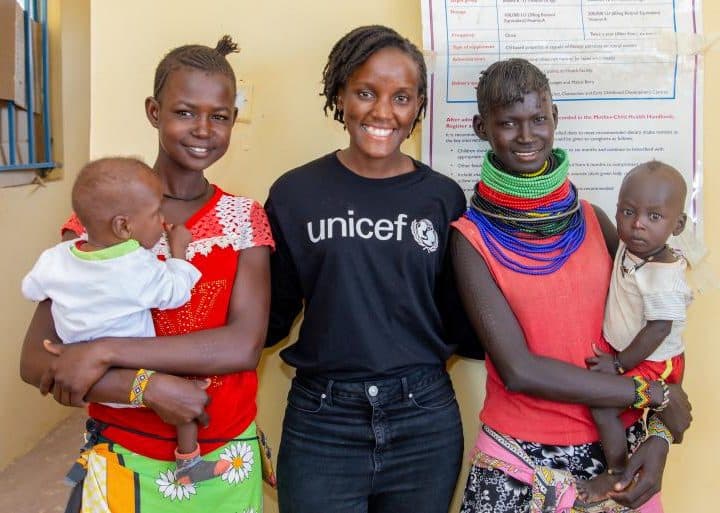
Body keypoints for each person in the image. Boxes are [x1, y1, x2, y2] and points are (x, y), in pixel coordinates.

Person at [19, 36, 273, 513]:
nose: (202, 129)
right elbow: (38, 361)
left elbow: (242, 346)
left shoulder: (244, 219)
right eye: (184, 112)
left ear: (233, 121)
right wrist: (149, 386)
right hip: (121, 452)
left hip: (223, 455)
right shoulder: (97, 221)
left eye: (218, 116)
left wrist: (102, 352)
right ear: (154, 111)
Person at [450, 59, 692, 513]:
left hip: (619, 454)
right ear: (482, 129)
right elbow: (521, 370)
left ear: (555, 119)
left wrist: (658, 435)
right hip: (518, 464)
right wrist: (653, 395)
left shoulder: (595, 221)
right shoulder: (471, 241)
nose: (527, 136)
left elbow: (662, 317)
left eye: (538, 119)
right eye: (508, 123)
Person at [265, 25, 472, 513]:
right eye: (365, 93)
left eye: (401, 97)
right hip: (323, 422)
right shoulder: (295, 194)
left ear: (419, 106)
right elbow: (271, 314)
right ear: (340, 94)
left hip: (423, 419)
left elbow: (457, 315)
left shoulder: (442, 198)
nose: (383, 112)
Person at [21, 156, 237, 485]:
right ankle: (189, 464)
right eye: (155, 215)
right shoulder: (134, 266)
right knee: (187, 399)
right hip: (135, 372)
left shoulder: (56, 257)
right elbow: (175, 292)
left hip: (82, 375)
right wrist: (178, 250)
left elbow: (30, 287)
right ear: (123, 227)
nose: (162, 221)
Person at [578, 161, 692, 500]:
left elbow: (658, 330)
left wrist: (618, 365)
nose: (638, 224)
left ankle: (616, 473)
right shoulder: (632, 248)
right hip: (638, 354)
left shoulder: (662, 275)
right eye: (628, 212)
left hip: (657, 361)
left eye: (654, 217)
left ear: (678, 224)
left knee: (602, 403)